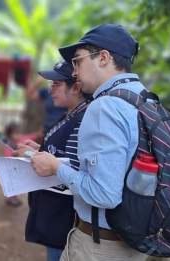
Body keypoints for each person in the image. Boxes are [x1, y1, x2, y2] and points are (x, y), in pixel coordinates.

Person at [29, 24, 148, 261]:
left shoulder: (105, 107)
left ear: (103, 58)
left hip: (100, 245)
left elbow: (104, 194)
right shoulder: (144, 97)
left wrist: (56, 168)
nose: (74, 71)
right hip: (133, 240)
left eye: (78, 61)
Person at [15, 61, 89, 261]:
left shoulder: (83, 120)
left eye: (56, 84)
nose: (51, 90)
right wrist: (38, 150)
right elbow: (62, 155)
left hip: (63, 218)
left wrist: (36, 156)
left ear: (76, 87)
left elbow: (75, 168)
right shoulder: (70, 115)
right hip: (54, 216)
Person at [1, 122, 37, 207]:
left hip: (18, 169)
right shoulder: (9, 145)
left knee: (17, 185)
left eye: (19, 133)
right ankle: (10, 199)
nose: (19, 135)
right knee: (11, 185)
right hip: (11, 169)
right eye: (16, 133)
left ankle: (14, 198)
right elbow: (8, 156)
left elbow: (30, 136)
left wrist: (38, 133)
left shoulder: (22, 140)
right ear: (9, 135)